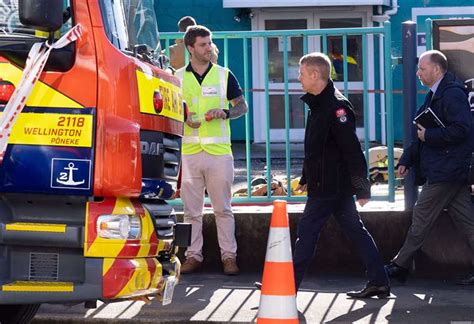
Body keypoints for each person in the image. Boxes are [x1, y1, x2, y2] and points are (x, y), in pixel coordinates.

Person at [291, 52, 389, 298]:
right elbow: (316, 148)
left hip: (330, 186)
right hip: (327, 183)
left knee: (306, 231)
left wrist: (363, 188)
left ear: (315, 75)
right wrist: (305, 177)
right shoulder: (318, 103)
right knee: (355, 231)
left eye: (301, 74)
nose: (298, 79)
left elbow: (352, 150)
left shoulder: (336, 107)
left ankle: (287, 286)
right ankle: (379, 281)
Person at [385, 50, 474, 285]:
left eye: (422, 69)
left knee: (421, 218)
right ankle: (399, 266)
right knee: (469, 224)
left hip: (446, 171)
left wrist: (430, 136)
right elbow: (421, 132)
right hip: (449, 171)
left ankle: (399, 265)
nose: (418, 74)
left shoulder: (452, 94)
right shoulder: (436, 94)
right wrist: (406, 159)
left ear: (436, 70)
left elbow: (463, 130)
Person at [175, 25, 248, 275]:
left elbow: (242, 107)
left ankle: (229, 257)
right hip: (190, 151)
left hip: (218, 152)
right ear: (190, 48)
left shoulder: (224, 74)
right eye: (203, 44)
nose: (209, 48)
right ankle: (192, 256)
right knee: (191, 212)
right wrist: (183, 119)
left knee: (223, 209)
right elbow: (169, 111)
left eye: (210, 43)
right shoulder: (176, 77)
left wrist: (225, 112)